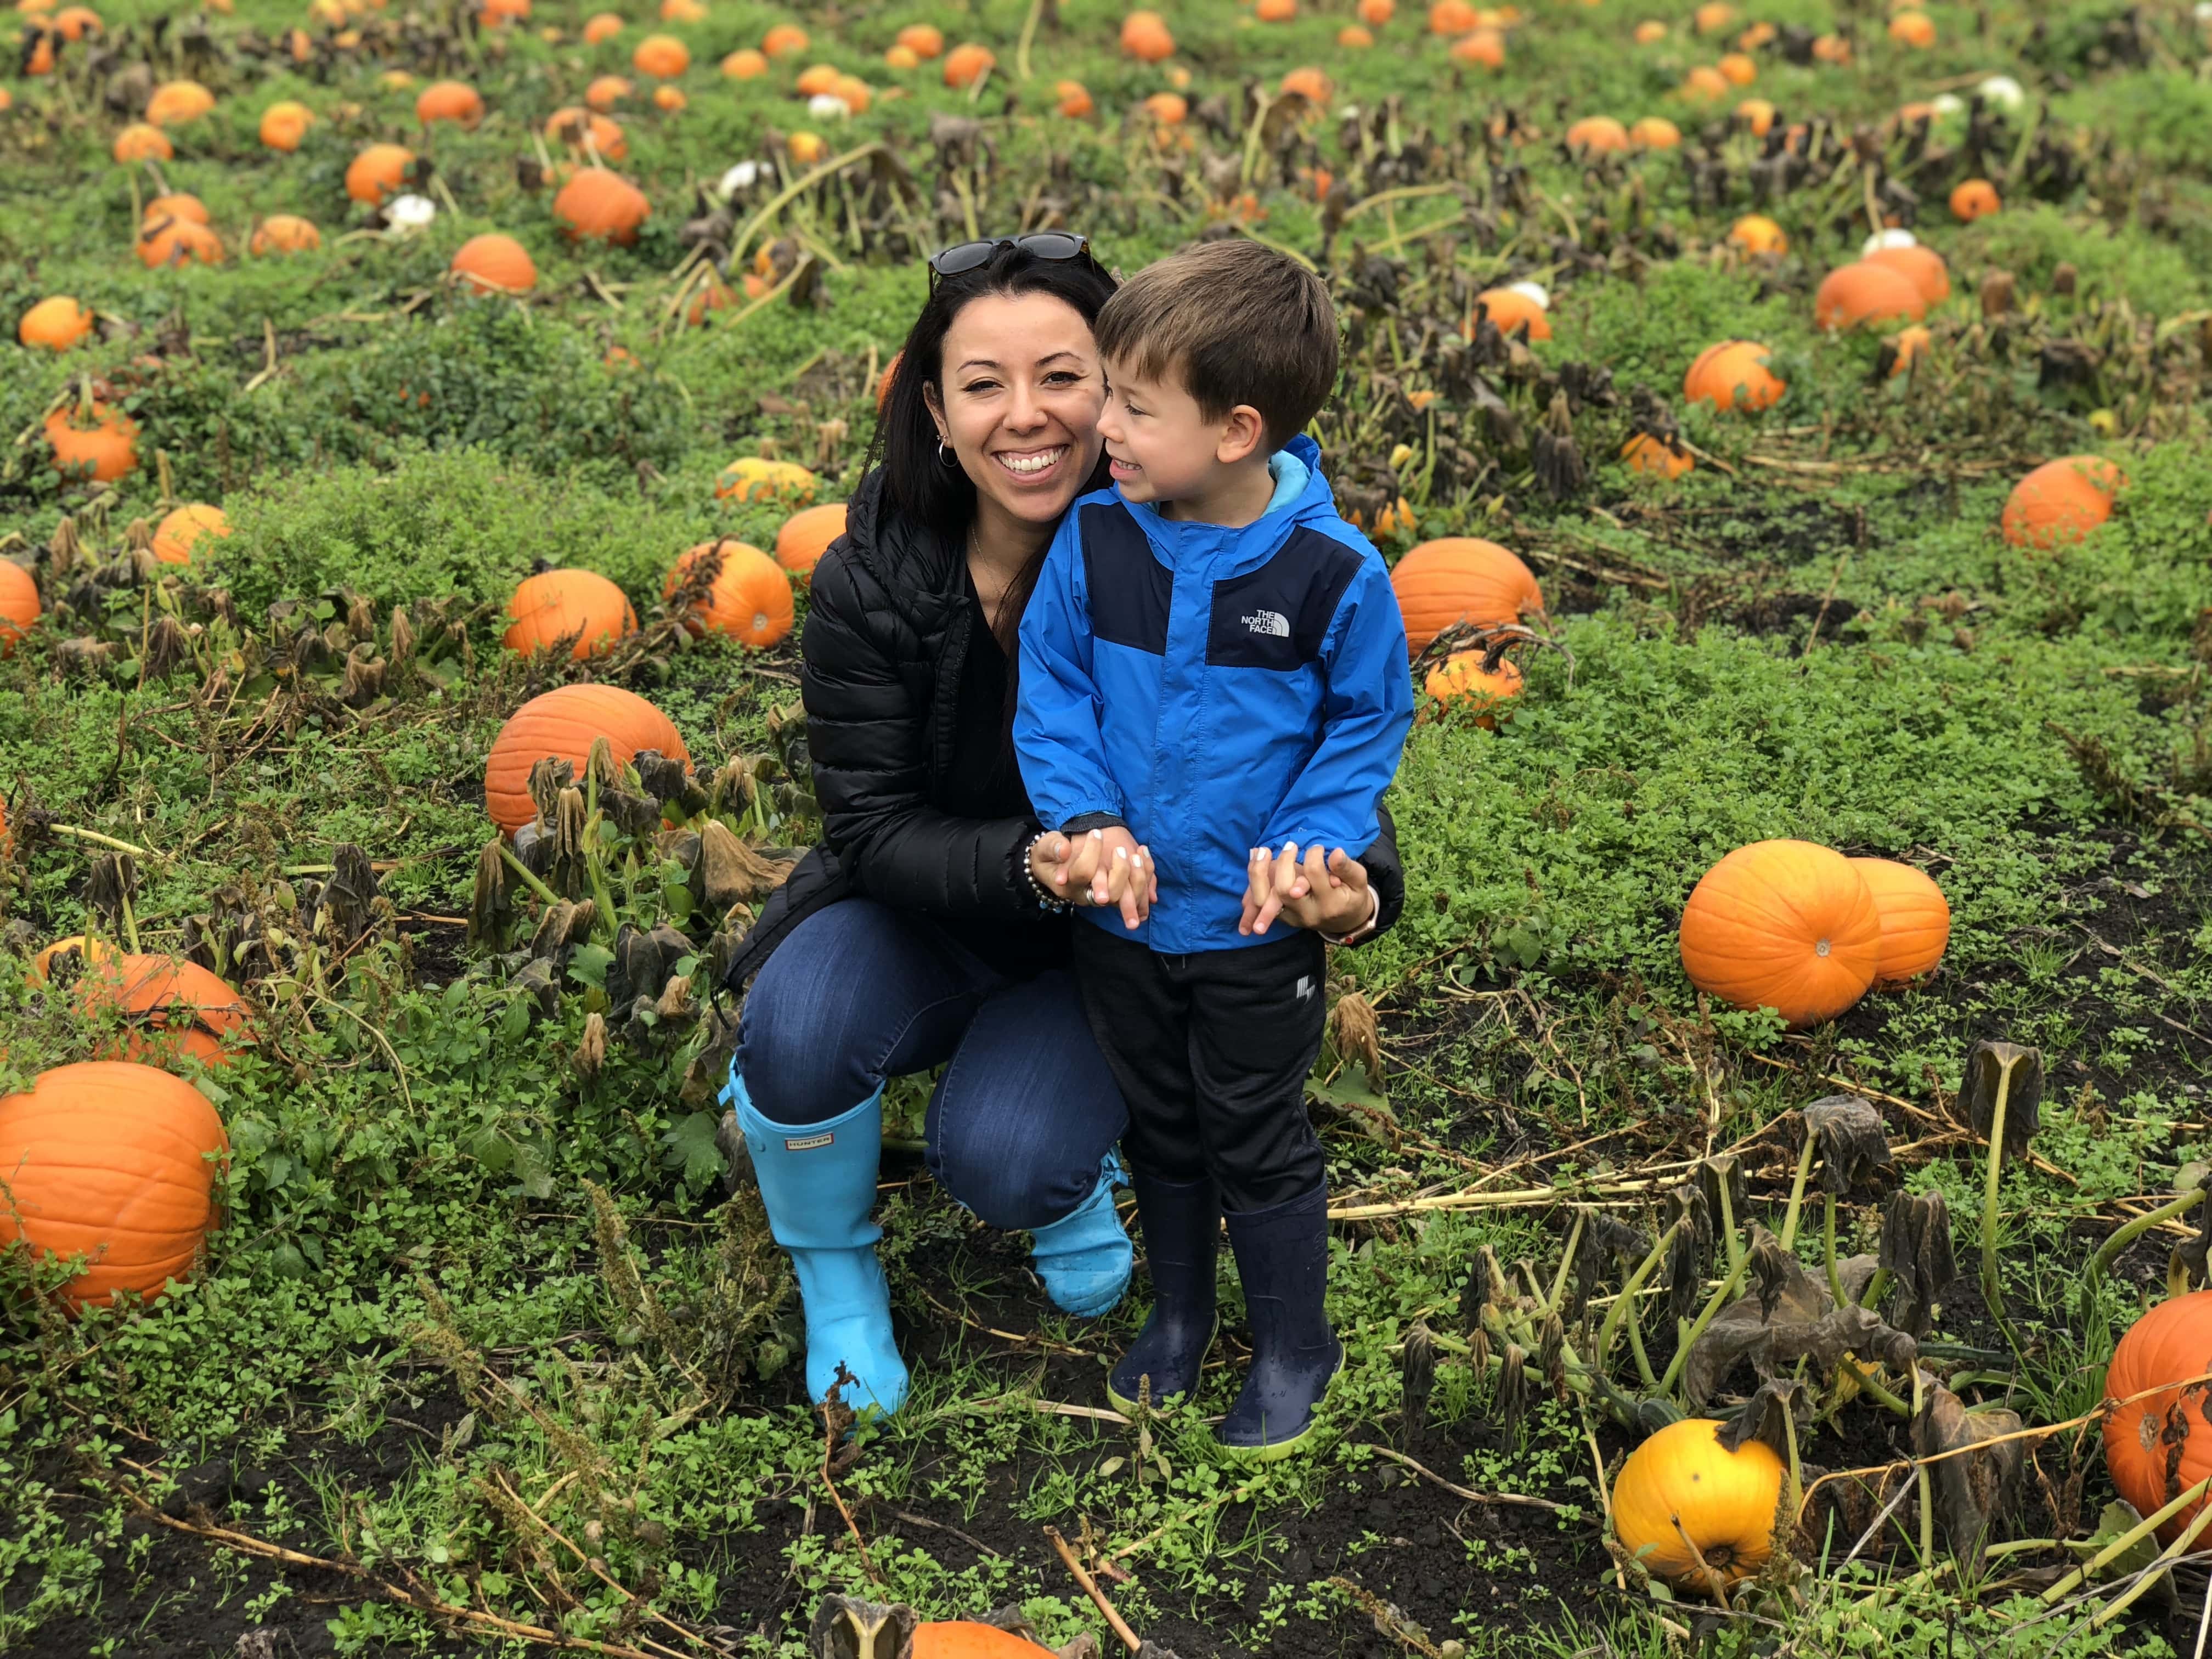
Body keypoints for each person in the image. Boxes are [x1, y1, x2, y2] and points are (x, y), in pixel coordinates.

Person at [714, 233, 1409, 1422]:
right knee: (803, 1025)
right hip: (943, 905)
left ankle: (1092, 1188)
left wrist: (1359, 883)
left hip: (1141, 934)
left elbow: (1322, 738)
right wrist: (1042, 853)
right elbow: (873, 826)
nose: (1026, 416)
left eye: (1068, 379)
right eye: (983, 384)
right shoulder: (875, 579)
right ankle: (837, 1277)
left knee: (1049, 1149)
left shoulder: (1249, 548)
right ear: (933, 410)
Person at [1015, 239, 1415, 1460]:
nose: (1106, 428)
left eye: (1135, 406)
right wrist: (1085, 825)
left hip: (1252, 929)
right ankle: (1183, 1311)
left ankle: (1296, 1341)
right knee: (1163, 1123)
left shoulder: (1332, 574)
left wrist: (1312, 845)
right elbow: (1055, 693)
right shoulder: (1093, 545)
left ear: (1237, 430)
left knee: (1255, 1125)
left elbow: (1366, 723)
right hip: (1123, 917)